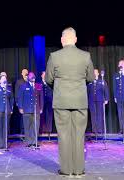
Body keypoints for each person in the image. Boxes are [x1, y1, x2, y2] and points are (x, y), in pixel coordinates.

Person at [45, 27, 94, 177]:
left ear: (62, 40)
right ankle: (78, 169)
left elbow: (48, 79)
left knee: (64, 135)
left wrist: (59, 88)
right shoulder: (85, 56)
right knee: (79, 135)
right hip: (80, 101)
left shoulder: (54, 56)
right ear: (76, 39)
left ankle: (66, 170)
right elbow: (91, 78)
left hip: (61, 101)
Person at [18, 72, 43, 148]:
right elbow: (20, 98)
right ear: (28, 77)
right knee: (27, 126)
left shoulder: (38, 86)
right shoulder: (23, 86)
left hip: (36, 109)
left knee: (35, 126)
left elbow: (41, 98)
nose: (33, 77)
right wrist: (20, 107)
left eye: (34, 76)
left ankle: (34, 142)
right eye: (31, 76)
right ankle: (29, 142)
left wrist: (41, 107)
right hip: (27, 109)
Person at [0, 73, 14, 149]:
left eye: (5, 79)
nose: (4, 80)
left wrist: (11, 108)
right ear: (0, 80)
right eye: (2, 79)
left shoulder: (9, 89)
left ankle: (5, 144)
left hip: (7, 111)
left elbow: (11, 99)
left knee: (5, 127)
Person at [87, 69, 109, 136]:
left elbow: (106, 90)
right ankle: (94, 130)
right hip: (91, 100)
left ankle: (99, 130)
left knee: (99, 114)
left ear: (98, 73)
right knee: (93, 115)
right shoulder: (90, 82)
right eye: (93, 72)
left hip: (100, 100)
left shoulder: (102, 81)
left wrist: (106, 99)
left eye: (95, 72)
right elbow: (87, 92)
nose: (94, 73)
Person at [15, 68, 28, 138]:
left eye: (27, 72)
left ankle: (27, 133)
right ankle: (22, 133)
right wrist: (17, 102)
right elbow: (17, 92)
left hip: (28, 104)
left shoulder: (29, 81)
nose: (26, 73)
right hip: (21, 103)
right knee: (22, 118)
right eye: (24, 72)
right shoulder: (19, 82)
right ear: (22, 73)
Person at [40, 71, 53, 135]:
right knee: (43, 115)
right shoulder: (39, 83)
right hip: (42, 101)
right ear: (41, 76)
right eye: (44, 75)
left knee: (49, 115)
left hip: (49, 101)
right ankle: (43, 129)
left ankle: (49, 130)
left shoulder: (49, 83)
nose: (45, 76)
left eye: (46, 75)